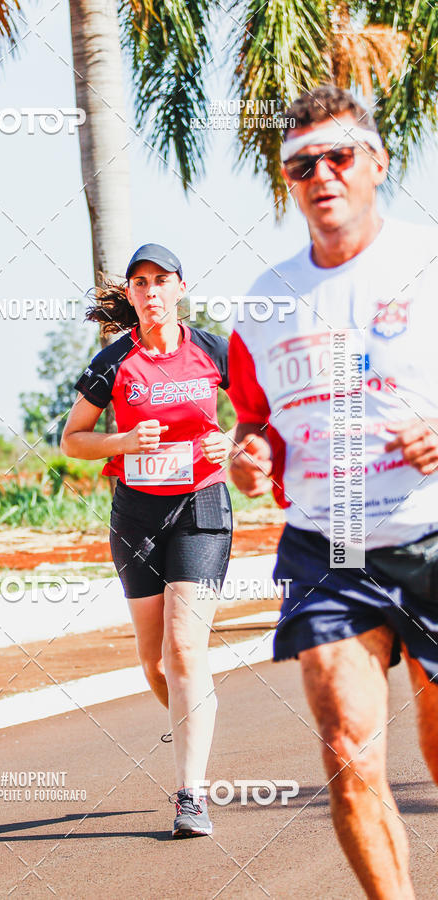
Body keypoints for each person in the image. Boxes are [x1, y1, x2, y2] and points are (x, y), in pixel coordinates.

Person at [228, 84, 438, 897]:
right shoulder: (264, 303)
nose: (322, 174)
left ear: (376, 164)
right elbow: (255, 422)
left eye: (339, 155)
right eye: (301, 163)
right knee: (347, 742)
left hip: (429, 532)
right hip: (327, 545)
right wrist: (250, 455)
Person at [61, 243, 234, 837]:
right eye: (140, 282)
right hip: (135, 515)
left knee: (185, 650)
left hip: (201, 506)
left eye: (162, 280)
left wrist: (231, 441)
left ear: (181, 288)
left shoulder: (214, 349)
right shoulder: (114, 362)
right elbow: (73, 440)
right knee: (154, 660)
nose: (151, 291)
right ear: (130, 294)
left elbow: (268, 413)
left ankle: (192, 793)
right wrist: (124, 443)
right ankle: (197, 716)